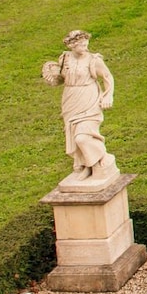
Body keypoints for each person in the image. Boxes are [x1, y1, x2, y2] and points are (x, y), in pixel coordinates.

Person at [42, 30, 116, 182]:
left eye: (85, 43)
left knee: (83, 137)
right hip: (71, 98)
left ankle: (100, 161)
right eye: (80, 44)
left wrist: (108, 95)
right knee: (74, 134)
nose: (84, 46)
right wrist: (53, 75)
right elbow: (62, 78)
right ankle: (85, 166)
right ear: (71, 46)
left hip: (89, 97)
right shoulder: (65, 58)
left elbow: (107, 76)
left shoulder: (93, 60)